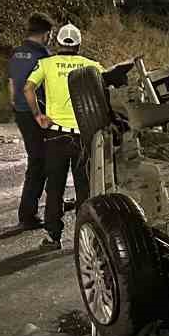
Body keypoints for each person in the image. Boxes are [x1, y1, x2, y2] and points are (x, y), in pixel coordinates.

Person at [24, 22, 103, 249]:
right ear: (78, 44)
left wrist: (39, 115)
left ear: (58, 42)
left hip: (55, 135)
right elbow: (108, 87)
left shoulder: (46, 64)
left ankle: (53, 237)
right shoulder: (91, 65)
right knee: (84, 188)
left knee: (55, 186)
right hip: (83, 136)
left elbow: (27, 89)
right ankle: (87, 239)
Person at [6, 13, 53, 229]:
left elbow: (11, 84)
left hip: (21, 113)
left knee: (38, 160)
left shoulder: (16, 53)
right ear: (46, 35)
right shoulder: (43, 56)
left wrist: (17, 109)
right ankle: (28, 214)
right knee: (40, 163)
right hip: (36, 113)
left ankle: (45, 206)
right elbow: (33, 89)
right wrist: (38, 114)